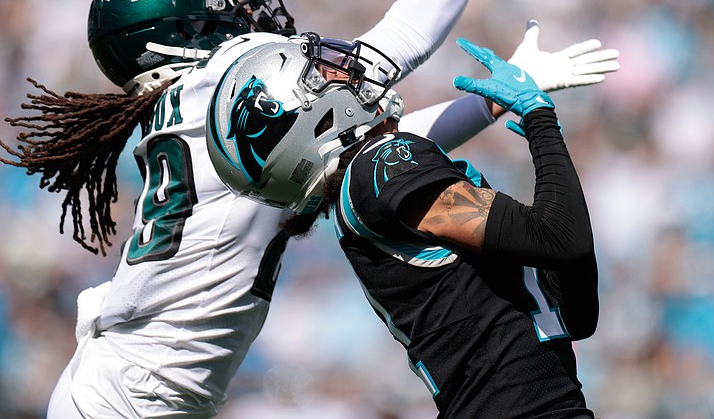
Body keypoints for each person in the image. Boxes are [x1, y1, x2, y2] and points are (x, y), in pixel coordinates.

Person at [0, 0, 616, 415]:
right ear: (181, 28)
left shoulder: (202, 114)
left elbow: (362, 149)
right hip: (136, 395)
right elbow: (383, 59)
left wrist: (492, 100)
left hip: (128, 388)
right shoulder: (224, 86)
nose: (248, 4)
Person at [205, 31, 605, 418]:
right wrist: (540, 121)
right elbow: (562, 239)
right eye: (320, 75)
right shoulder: (385, 164)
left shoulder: (365, 186)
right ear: (308, 117)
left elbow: (575, 314)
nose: (346, 71)